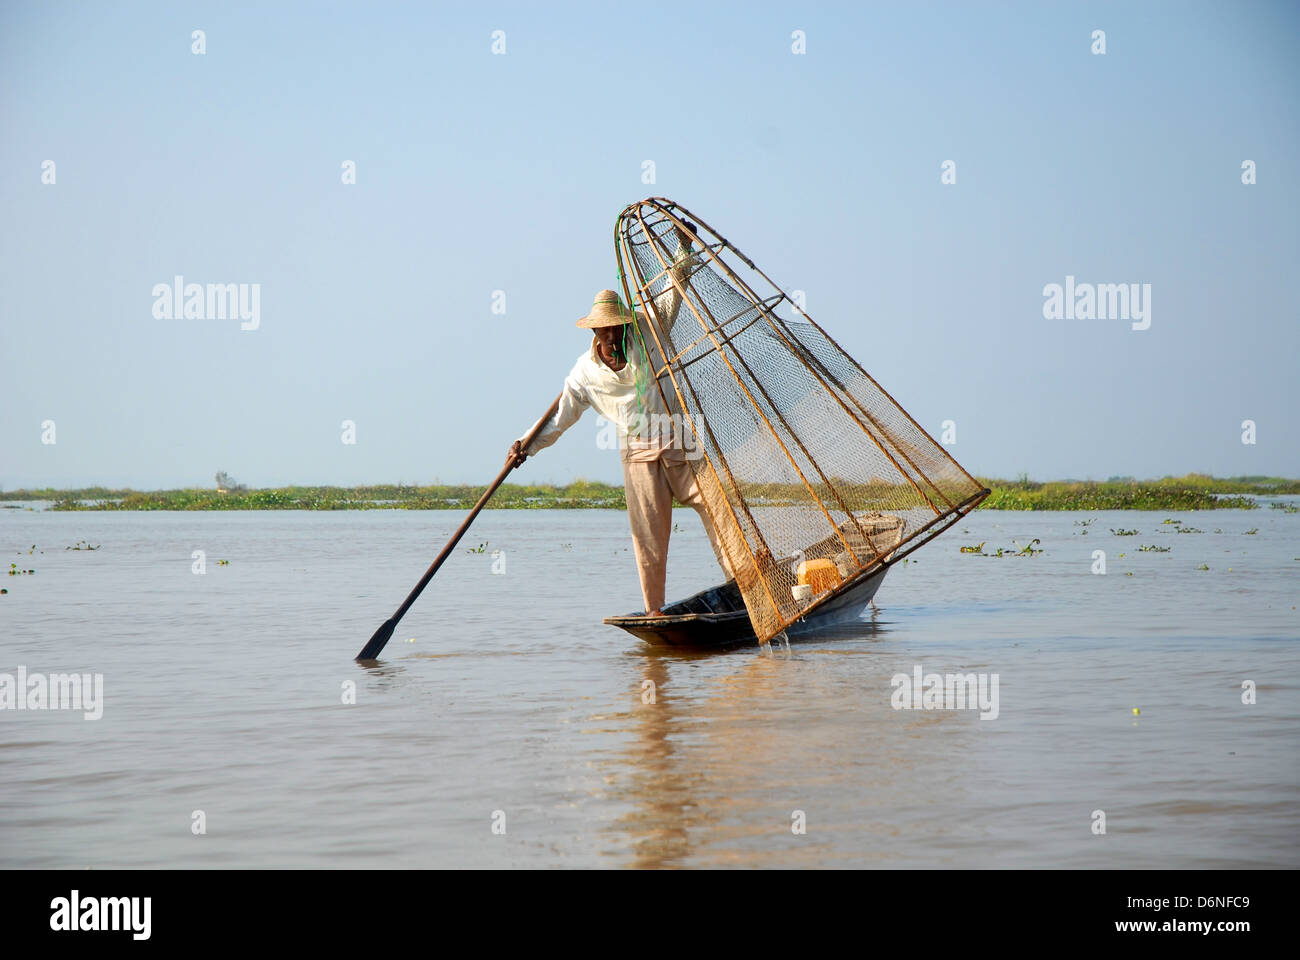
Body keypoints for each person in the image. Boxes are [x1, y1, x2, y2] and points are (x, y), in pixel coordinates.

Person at [507, 221, 734, 616]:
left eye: (617, 328)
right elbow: (558, 420)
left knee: (719, 507)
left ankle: (747, 581)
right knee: (647, 537)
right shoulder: (583, 374)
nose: (613, 338)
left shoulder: (649, 325)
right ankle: (655, 612)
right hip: (638, 450)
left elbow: (673, 288)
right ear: (594, 332)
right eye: (605, 331)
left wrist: (683, 250)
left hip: (680, 438)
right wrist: (525, 446)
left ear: (626, 323)